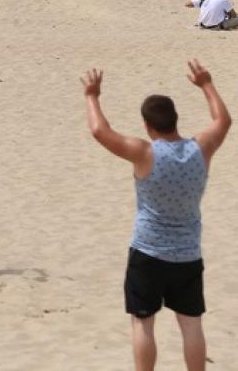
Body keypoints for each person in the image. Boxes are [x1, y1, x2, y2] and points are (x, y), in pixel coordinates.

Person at [81, 61, 230, 371]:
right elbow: (223, 121)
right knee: (191, 325)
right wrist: (206, 84)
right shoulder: (200, 149)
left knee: (143, 323)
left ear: (148, 125)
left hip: (148, 251)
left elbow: (99, 131)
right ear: (176, 120)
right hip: (188, 254)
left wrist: (92, 96)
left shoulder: (144, 152)